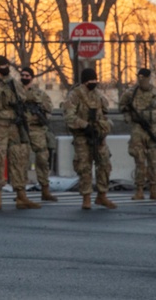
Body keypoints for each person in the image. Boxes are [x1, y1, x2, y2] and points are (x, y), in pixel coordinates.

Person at [0, 55, 39, 210]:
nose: (6, 67)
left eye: (7, 65)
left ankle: (21, 195)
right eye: (4, 65)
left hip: (14, 124)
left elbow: (23, 98)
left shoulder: (13, 82)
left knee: (19, 158)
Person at [63, 68, 116, 210]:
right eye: (91, 80)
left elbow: (105, 114)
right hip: (82, 136)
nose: (94, 83)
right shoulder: (75, 95)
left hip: (98, 136)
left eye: (95, 80)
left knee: (104, 165)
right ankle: (86, 198)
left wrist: (102, 126)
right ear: (85, 81)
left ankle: (102, 195)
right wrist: (84, 125)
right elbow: (69, 116)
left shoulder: (98, 95)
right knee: (84, 167)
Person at [119, 67, 156, 200]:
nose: (141, 80)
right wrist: (129, 115)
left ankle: (153, 189)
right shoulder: (131, 93)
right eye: (139, 77)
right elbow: (122, 106)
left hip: (152, 131)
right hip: (138, 131)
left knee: (153, 161)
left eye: (144, 78)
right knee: (140, 161)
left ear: (149, 78)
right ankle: (139, 190)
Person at [16, 65, 58, 202]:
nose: (24, 78)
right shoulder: (16, 92)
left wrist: (38, 107)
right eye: (22, 75)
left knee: (42, 160)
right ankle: (20, 193)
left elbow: (49, 108)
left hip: (37, 130)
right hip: (21, 129)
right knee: (21, 161)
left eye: (27, 76)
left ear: (32, 78)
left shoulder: (40, 94)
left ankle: (45, 190)